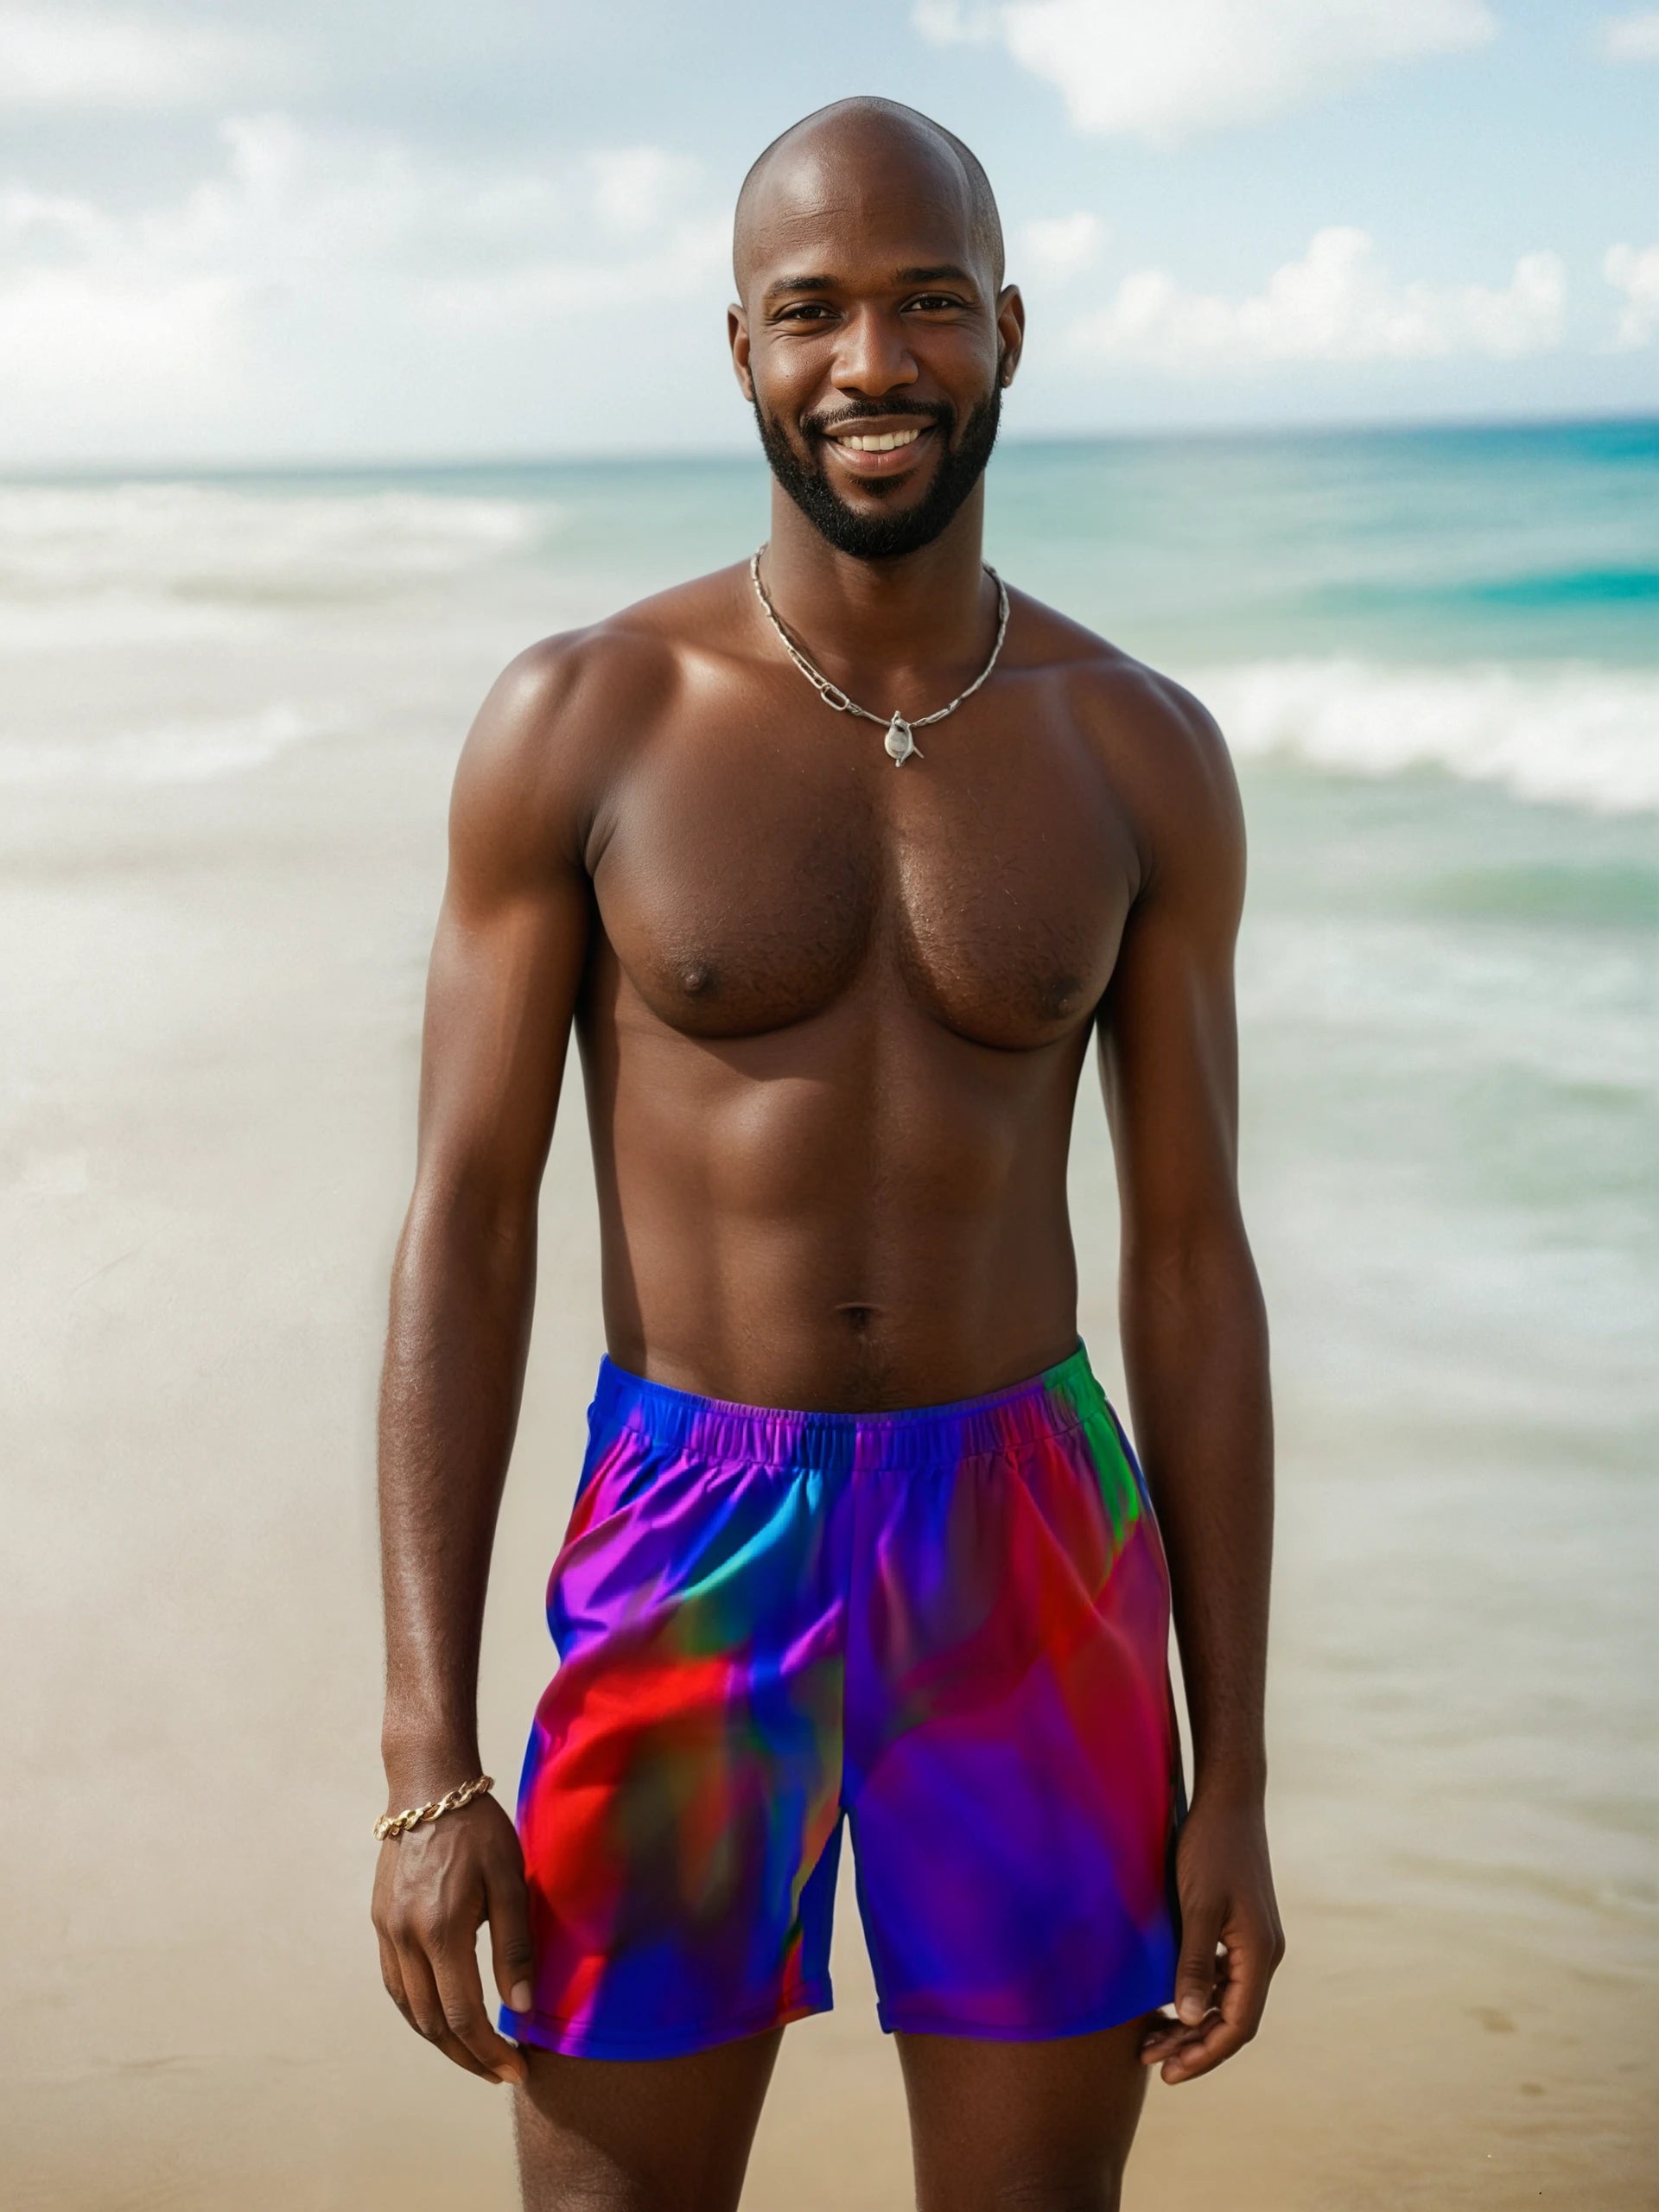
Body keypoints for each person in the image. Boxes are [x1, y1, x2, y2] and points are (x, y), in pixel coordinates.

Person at [371, 94, 1283, 2212]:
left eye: (927, 305)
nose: (872, 362)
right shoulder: (584, 717)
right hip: (695, 1539)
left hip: (1036, 1558)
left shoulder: (1135, 746)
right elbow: (463, 1227)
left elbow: (1189, 1265)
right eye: (814, 312)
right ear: (742, 350)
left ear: (1011, 335)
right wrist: (426, 1750)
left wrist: (1235, 1767)